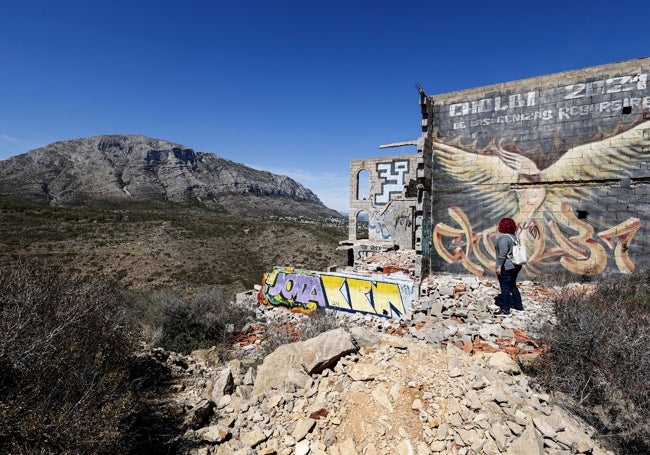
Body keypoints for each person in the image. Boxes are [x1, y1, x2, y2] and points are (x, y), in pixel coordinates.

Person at [494, 217, 523, 315]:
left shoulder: (504, 238)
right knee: (512, 285)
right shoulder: (516, 237)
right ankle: (519, 305)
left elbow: (502, 254)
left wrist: (498, 267)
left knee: (505, 287)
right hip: (516, 265)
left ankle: (505, 309)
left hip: (507, 265)